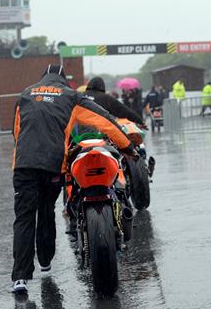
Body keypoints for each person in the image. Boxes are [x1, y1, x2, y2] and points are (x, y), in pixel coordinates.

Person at [10, 64, 135, 294]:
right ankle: (46, 264)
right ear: (64, 80)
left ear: (43, 78)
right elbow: (104, 120)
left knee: (24, 217)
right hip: (52, 165)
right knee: (46, 210)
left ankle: (20, 279)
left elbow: (16, 131)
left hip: (24, 165)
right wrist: (128, 147)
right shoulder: (70, 96)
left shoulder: (25, 95)